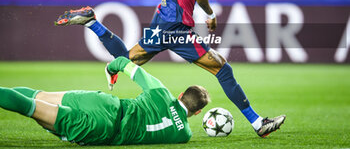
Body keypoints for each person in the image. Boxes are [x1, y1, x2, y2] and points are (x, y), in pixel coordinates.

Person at [55, 0, 285, 137]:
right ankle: (257, 123)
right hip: (174, 27)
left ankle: (92, 22)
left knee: (126, 60)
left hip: (166, 23)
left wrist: (210, 12)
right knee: (222, 69)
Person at [0, 56, 209, 145]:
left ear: (181, 95)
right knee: (32, 109)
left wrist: (111, 71)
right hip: (103, 129)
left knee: (38, 95)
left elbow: (123, 62)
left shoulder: (161, 92)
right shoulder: (184, 135)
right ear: (198, 112)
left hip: (106, 103)